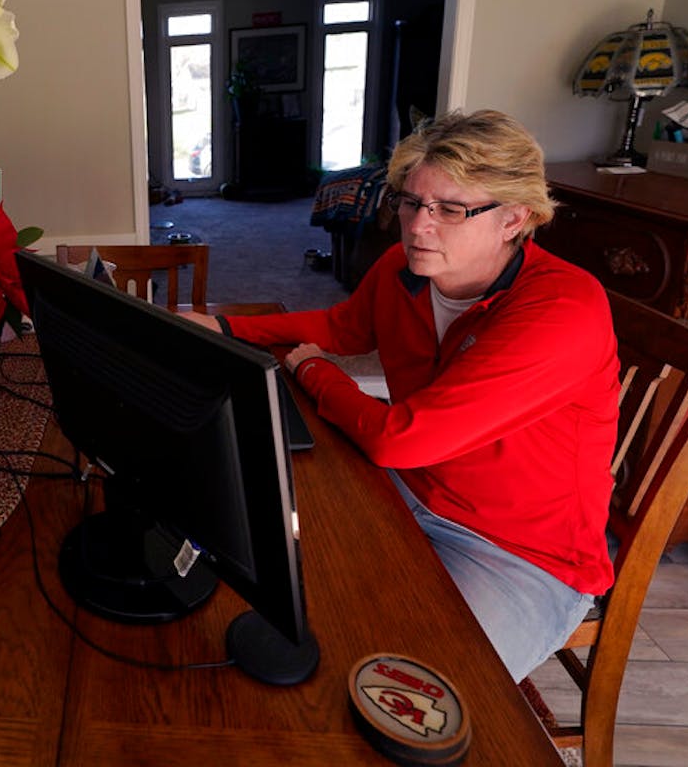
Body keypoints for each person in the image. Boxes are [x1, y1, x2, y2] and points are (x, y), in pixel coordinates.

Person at [184, 109, 619, 681]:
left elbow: (401, 439)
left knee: (414, 693)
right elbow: (343, 328)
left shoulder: (563, 311)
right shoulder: (403, 269)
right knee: (252, 551)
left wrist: (316, 373)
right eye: (412, 202)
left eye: (451, 209)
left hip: (519, 554)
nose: (418, 226)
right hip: (406, 492)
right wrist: (227, 329)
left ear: (516, 217)